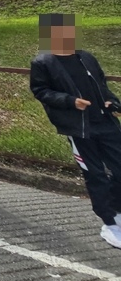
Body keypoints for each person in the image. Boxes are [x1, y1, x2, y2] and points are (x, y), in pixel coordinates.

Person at [30, 14, 121, 248]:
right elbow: (41, 91)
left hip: (106, 123)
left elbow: (102, 86)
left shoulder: (86, 57)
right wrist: (70, 101)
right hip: (79, 128)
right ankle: (109, 222)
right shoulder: (43, 62)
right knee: (95, 174)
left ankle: (117, 209)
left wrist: (113, 102)